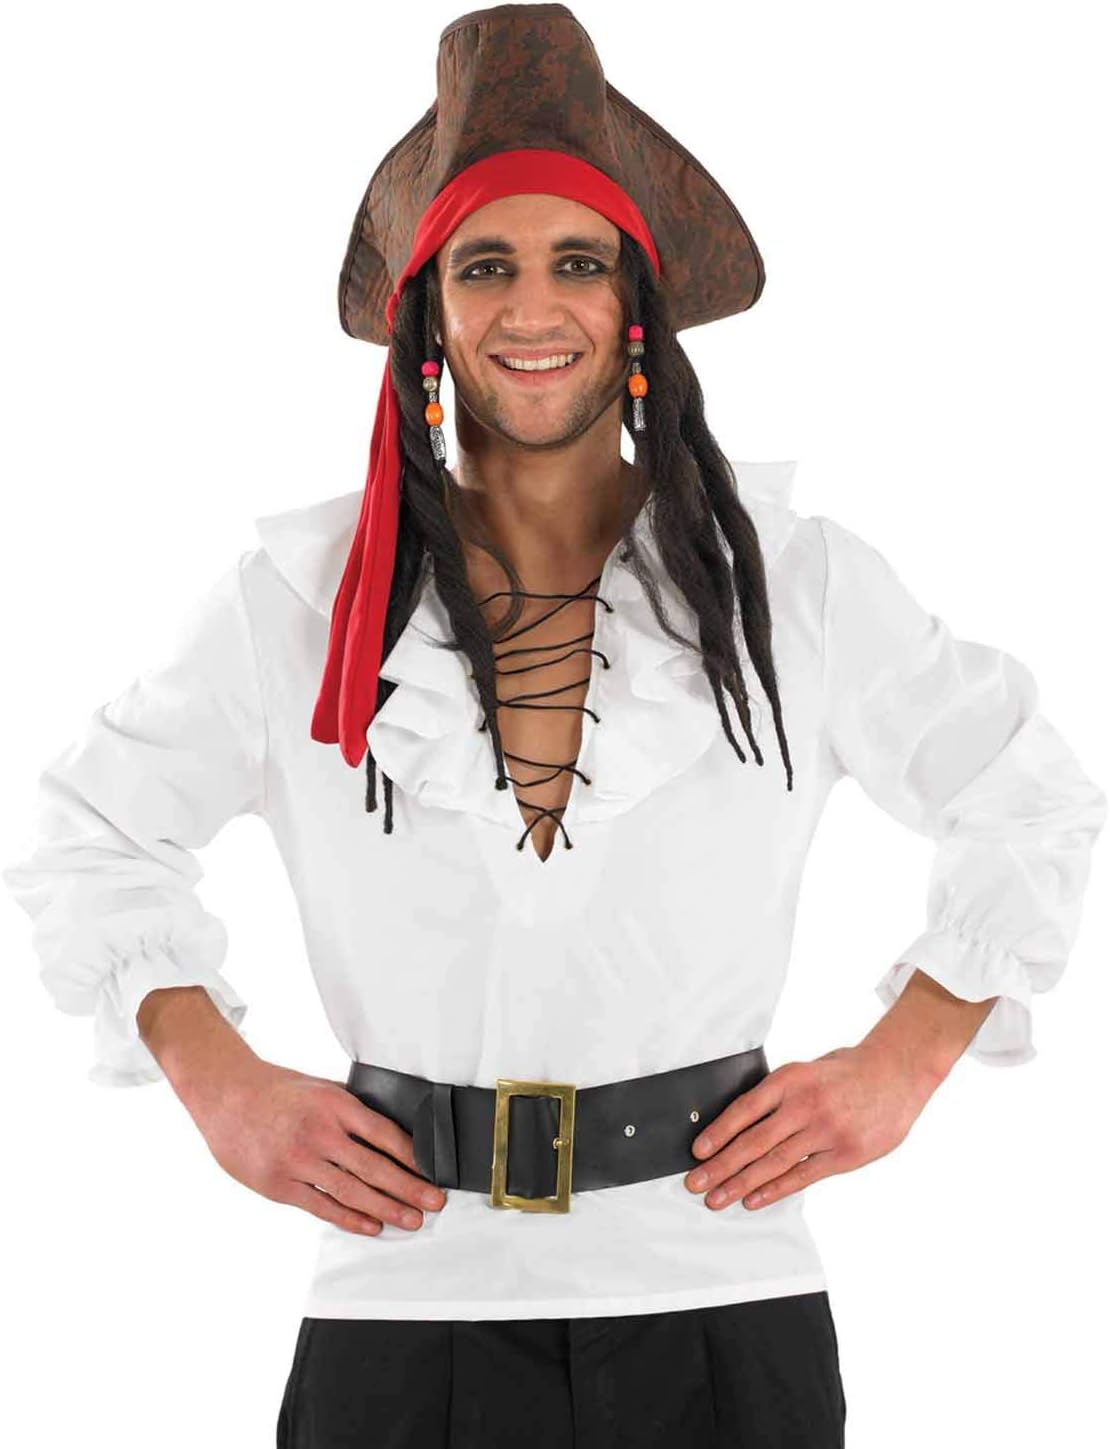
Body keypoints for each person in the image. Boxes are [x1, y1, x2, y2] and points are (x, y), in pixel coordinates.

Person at [3, 4, 1106, 1446]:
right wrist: (213, 1074)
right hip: (398, 1309)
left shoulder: (794, 585)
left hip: (723, 1299)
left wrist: (908, 1054)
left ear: (634, 307)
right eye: (486, 266)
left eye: (577, 262)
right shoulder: (295, 603)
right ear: (430, 316)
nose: (533, 309)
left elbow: (1026, 789)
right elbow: (90, 826)